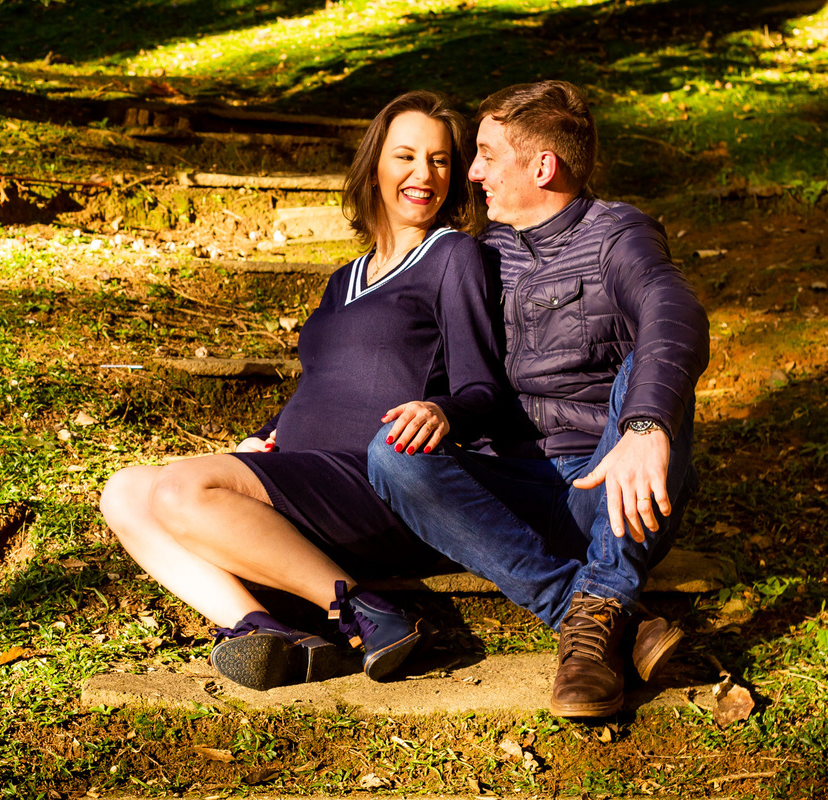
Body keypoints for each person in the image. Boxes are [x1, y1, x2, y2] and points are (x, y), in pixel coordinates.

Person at [100, 90, 505, 691]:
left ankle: (365, 610)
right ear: (374, 165)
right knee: (125, 492)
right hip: (307, 476)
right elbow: (322, 388)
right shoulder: (345, 278)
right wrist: (263, 437)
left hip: (382, 482)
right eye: (406, 156)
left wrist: (440, 409)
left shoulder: (453, 256)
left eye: (441, 160)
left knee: (182, 487)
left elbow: (484, 388)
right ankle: (269, 629)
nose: (424, 174)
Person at [367, 80, 711, 718]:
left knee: (654, 372)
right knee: (391, 454)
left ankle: (598, 613)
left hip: (608, 489)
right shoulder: (474, 254)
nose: (471, 173)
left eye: (488, 155)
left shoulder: (617, 233)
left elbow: (674, 309)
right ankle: (599, 616)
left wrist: (644, 424)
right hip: (510, 493)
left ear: (543, 166)